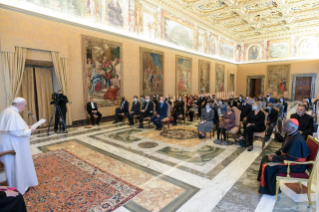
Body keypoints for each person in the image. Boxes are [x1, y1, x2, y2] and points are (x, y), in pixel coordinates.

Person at [257, 119, 310, 195]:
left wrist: (274, 159)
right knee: (265, 158)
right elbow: (284, 148)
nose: (282, 127)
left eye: (285, 126)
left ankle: (269, 190)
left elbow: (290, 158)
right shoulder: (290, 134)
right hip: (290, 160)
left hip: (296, 165)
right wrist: (275, 154)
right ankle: (262, 181)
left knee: (268, 166)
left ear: (292, 128)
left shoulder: (297, 140)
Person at [0, 97, 38, 194]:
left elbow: (16, 128)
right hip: (11, 145)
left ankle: (13, 185)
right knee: (14, 165)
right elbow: (15, 132)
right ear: (19, 104)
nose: (24, 108)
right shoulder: (13, 113)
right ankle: (17, 186)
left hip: (6, 143)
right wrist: (30, 130)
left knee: (11, 166)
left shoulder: (7, 111)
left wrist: (26, 128)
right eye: (24, 105)